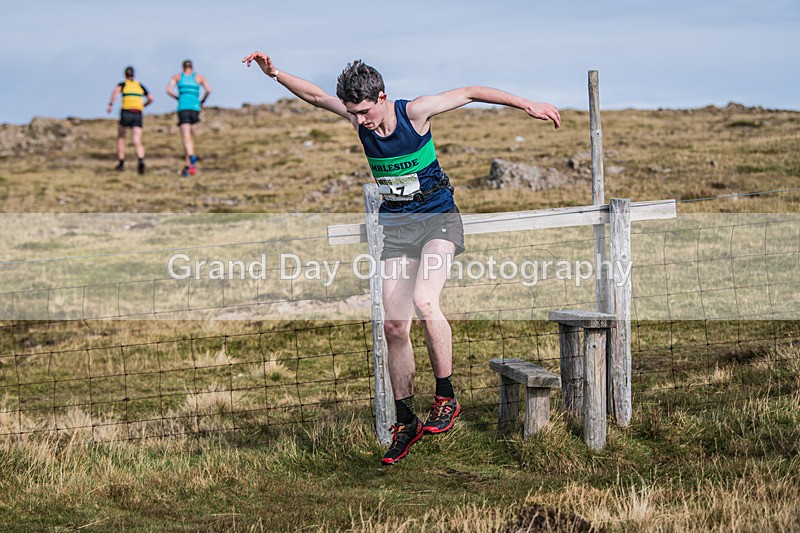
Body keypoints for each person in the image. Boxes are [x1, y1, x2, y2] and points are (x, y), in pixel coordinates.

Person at [242, 51, 560, 465]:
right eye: (353, 114)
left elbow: (470, 91)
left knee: (426, 301)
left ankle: (446, 399)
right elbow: (317, 97)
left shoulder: (415, 112)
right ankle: (405, 422)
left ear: (382, 97)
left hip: (438, 219)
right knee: (394, 325)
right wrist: (276, 74)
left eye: (364, 113)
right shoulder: (358, 117)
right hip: (397, 227)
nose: (359, 122)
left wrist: (527, 104)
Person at [167, 59, 212, 177]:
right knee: (191, 137)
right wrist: (202, 101)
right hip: (195, 109)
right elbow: (208, 90)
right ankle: (188, 167)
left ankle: (191, 157)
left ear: (183, 68)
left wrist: (178, 97)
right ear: (192, 68)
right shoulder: (198, 77)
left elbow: (168, 90)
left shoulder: (177, 77)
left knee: (186, 138)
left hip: (183, 108)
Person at [107, 66, 153, 174]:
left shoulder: (123, 84)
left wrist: (110, 105)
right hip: (137, 113)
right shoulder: (140, 85)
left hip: (126, 112)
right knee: (137, 140)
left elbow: (115, 92)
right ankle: (141, 159)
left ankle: (121, 163)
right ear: (134, 75)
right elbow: (151, 98)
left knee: (121, 137)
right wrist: (142, 106)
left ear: (125, 75)